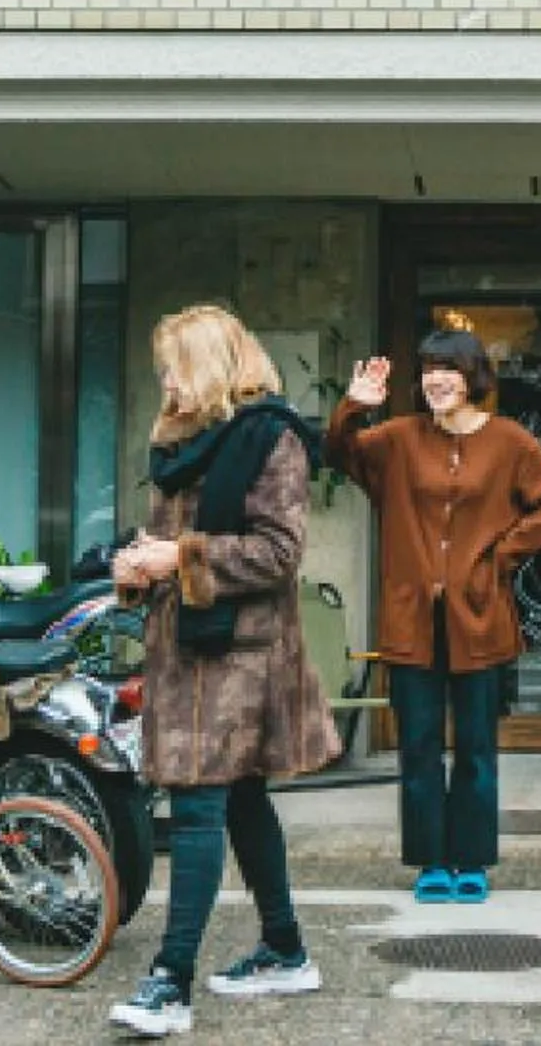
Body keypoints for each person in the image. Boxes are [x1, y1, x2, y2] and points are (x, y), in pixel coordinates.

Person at [107, 304, 342, 1038]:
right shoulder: (185, 443)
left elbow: (278, 553)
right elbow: (178, 541)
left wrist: (177, 559)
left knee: (202, 802)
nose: (166, 380)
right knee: (239, 800)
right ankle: (285, 947)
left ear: (210, 365)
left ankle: (170, 983)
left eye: (175, 365)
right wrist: (139, 563)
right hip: (187, 644)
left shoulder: (272, 438)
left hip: (241, 653)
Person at [326, 325, 541, 902]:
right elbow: (338, 454)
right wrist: (352, 409)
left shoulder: (509, 442)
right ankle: (429, 862)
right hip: (411, 616)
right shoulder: (399, 438)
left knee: (475, 746)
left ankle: (472, 862)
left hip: (479, 616)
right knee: (418, 745)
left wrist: (500, 558)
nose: (435, 379)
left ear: (473, 377)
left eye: (448, 368)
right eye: (428, 369)